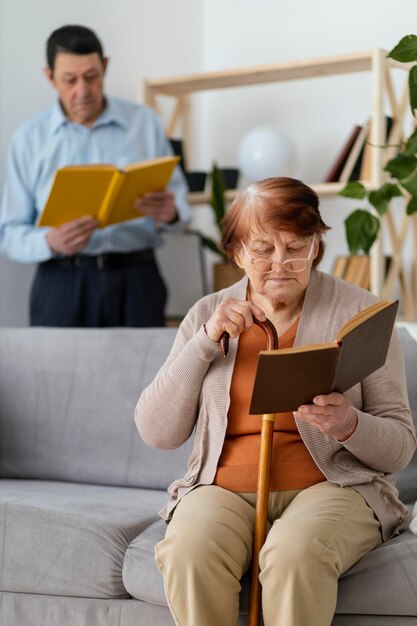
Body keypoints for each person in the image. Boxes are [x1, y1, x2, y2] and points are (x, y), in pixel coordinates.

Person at [134, 177, 416, 626]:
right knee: (190, 551)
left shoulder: (362, 313)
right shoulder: (206, 315)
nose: (280, 263)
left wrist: (349, 424)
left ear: (316, 247)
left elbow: (400, 447)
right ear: (238, 252)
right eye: (263, 248)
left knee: (294, 553)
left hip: (334, 488)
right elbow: (156, 431)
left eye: (296, 247)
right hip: (221, 489)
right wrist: (204, 343)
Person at [0, 24, 191, 327]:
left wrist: (171, 213)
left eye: (92, 77)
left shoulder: (145, 123)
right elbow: (8, 233)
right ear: (50, 77)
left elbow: (182, 210)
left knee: (149, 375)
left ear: (105, 66)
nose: (83, 91)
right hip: (61, 283)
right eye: (69, 80)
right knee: (57, 374)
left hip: (138, 281)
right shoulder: (28, 139)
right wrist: (49, 241)